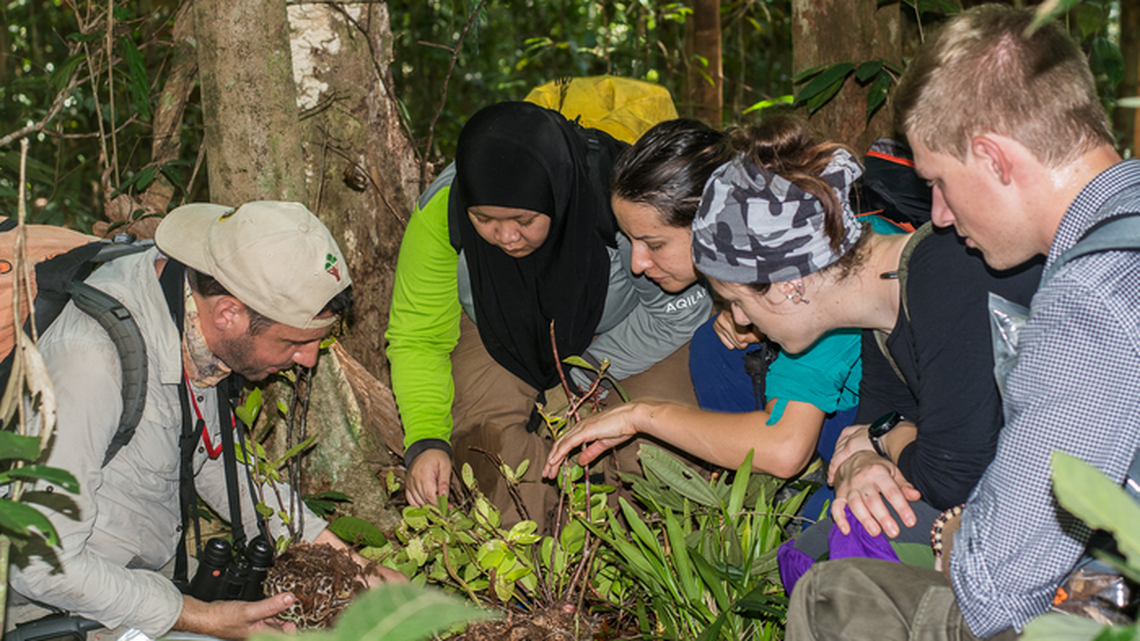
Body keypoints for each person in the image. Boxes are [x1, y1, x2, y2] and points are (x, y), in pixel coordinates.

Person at [786, 5, 1140, 639]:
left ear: (995, 159)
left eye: (940, 183)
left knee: (833, 597)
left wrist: (957, 530)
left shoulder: (1094, 292)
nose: (941, 216)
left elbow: (998, 580)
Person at [6, 201, 401, 641]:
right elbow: (39, 565)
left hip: (142, 577)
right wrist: (204, 618)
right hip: (55, 606)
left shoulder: (186, 314)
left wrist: (353, 567)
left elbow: (212, 458)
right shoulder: (91, 362)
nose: (308, 361)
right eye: (295, 341)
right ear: (229, 314)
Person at [675, 114, 1039, 584]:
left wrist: (884, 438)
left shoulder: (945, 273)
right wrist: (868, 456)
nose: (740, 320)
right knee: (811, 552)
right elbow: (868, 427)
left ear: (788, 285)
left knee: (837, 560)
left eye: (739, 301)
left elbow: (952, 477)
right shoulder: (879, 312)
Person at [386, 102, 710, 531]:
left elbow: (674, 312)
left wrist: (578, 378)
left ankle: (620, 553)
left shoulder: (616, 200)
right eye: (484, 219)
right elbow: (418, 336)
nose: (506, 237)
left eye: (523, 219)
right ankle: (536, 575)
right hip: (496, 327)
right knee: (488, 452)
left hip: (628, 325)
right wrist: (425, 440)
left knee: (657, 450)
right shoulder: (444, 210)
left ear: (557, 195)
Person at [544, 118, 888, 491]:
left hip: (892, 447)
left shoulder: (812, 278)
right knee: (714, 343)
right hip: (865, 431)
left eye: (654, 244)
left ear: (712, 222)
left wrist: (641, 416)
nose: (637, 264)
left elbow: (785, 447)